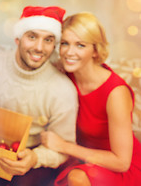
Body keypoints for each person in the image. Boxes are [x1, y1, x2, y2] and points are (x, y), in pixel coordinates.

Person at [0, 6, 79, 186]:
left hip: (34, 161)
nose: (39, 47)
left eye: (48, 40)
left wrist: (35, 158)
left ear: (54, 45)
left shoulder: (62, 90)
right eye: (32, 36)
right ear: (18, 38)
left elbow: (64, 146)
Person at [40, 12, 141, 186]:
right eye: (65, 43)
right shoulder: (64, 74)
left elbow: (121, 162)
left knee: (76, 178)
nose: (69, 52)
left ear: (95, 50)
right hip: (84, 159)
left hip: (120, 167)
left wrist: (63, 146)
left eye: (80, 45)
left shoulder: (115, 92)